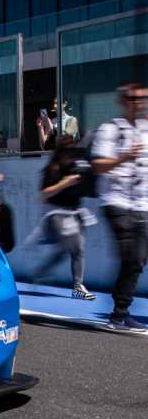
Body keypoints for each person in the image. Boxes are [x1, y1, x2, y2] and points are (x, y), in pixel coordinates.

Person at [91, 82, 148, 332]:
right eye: (134, 98)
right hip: (118, 203)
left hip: (143, 204)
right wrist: (125, 156)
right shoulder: (110, 129)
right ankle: (119, 314)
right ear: (123, 101)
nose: (139, 102)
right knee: (132, 257)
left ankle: (120, 312)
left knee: (138, 259)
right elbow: (98, 166)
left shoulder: (146, 130)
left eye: (143, 97)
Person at [38, 137, 96, 301]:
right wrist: (64, 183)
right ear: (60, 153)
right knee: (76, 247)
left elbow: (90, 189)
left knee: (74, 250)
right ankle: (78, 286)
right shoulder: (52, 169)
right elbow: (43, 194)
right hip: (55, 212)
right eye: (68, 153)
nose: (71, 156)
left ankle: (45, 269)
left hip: (75, 210)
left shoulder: (78, 166)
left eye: (73, 152)